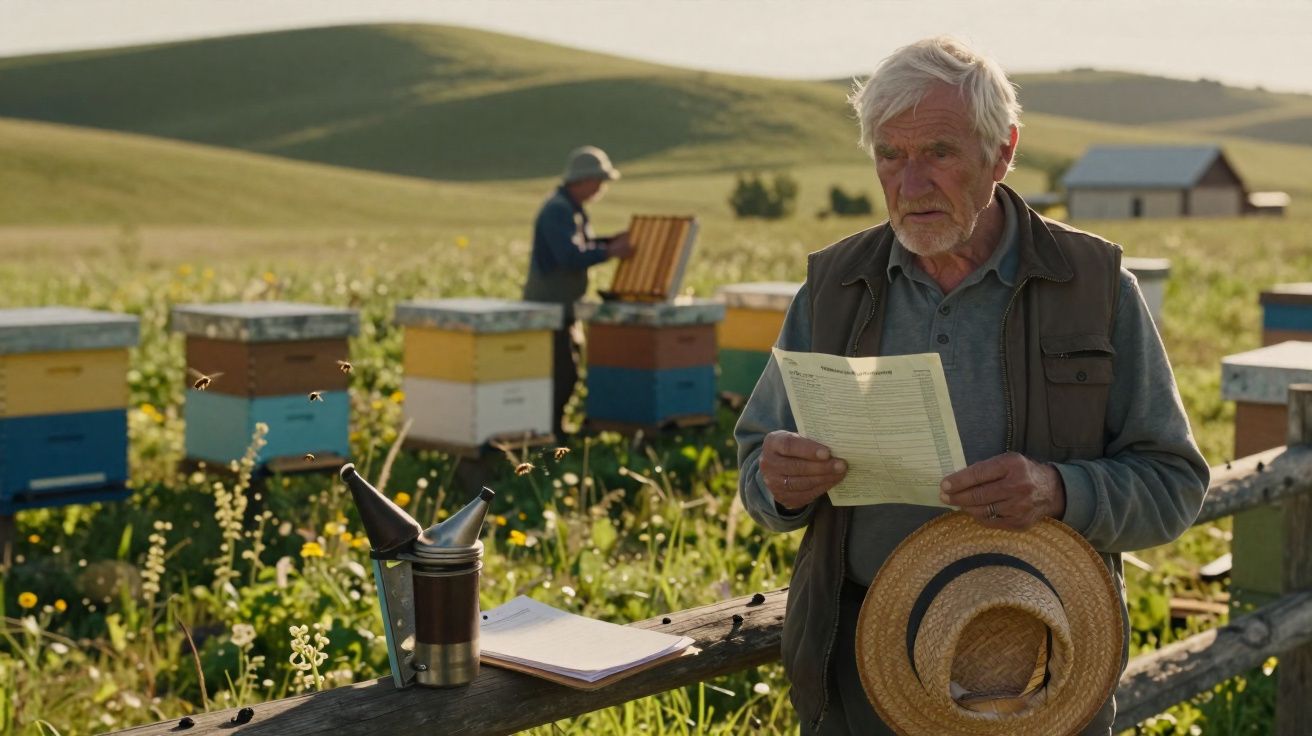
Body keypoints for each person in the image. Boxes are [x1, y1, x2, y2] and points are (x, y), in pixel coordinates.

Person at [734, 36, 1210, 736]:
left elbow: (1174, 483)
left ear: (1004, 150)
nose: (911, 183)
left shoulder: (1095, 288)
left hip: (1041, 667)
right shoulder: (833, 287)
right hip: (860, 678)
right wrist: (779, 481)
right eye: (890, 155)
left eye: (940, 153)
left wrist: (1057, 491)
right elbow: (756, 470)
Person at [523, 145, 633, 437]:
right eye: (599, 181)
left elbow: (584, 245)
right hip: (550, 308)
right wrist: (611, 251)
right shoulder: (558, 210)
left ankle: (554, 428)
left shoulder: (569, 208)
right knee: (562, 372)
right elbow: (569, 256)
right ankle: (551, 431)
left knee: (568, 369)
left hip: (564, 308)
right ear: (583, 179)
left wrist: (610, 242)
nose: (601, 187)